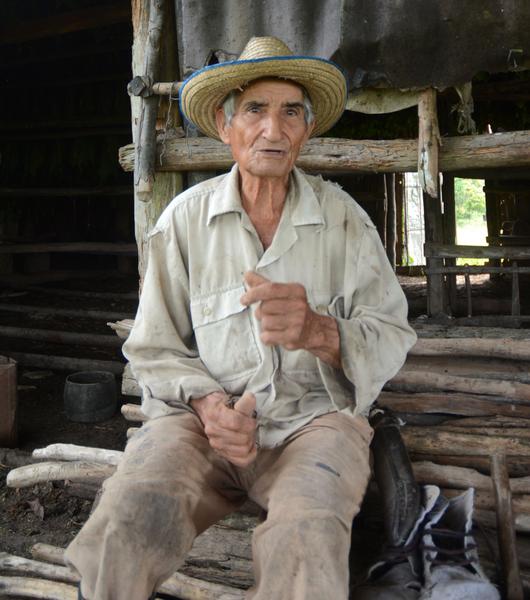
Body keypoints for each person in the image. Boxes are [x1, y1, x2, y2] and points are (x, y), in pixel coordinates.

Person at [65, 36, 417, 600]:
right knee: (129, 513)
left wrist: (318, 331)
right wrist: (209, 406)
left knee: (309, 534)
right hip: (202, 426)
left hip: (314, 423)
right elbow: (154, 347)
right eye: (255, 110)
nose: (273, 130)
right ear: (226, 127)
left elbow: (393, 332)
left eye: (291, 113)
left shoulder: (344, 220)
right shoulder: (183, 221)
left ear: (306, 131)